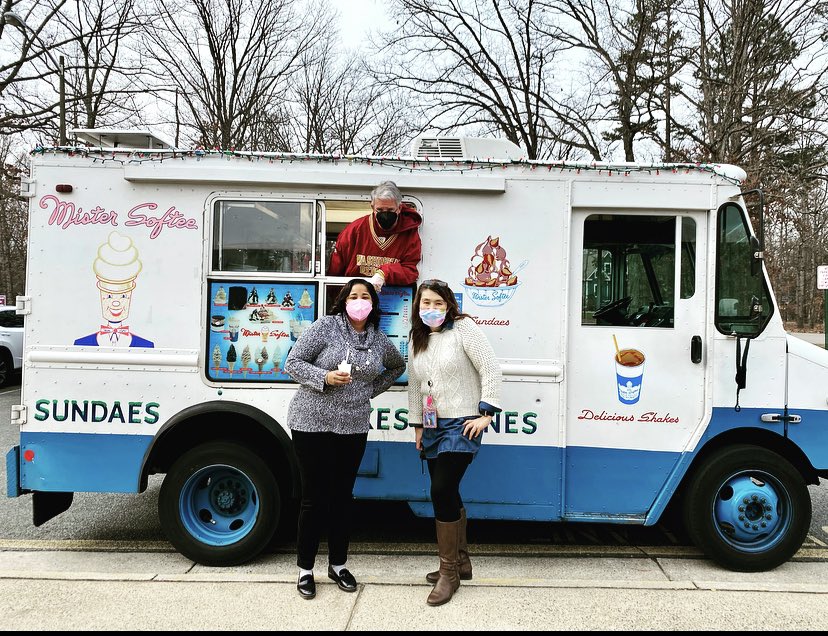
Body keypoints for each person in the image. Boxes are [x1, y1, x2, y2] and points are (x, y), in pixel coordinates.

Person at [283, 278, 406, 600]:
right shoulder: (326, 327)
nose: (359, 301)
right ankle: (305, 569)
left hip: (352, 426)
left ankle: (338, 565)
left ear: (373, 305)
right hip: (311, 422)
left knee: (342, 497)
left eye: (366, 296)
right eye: (354, 296)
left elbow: (397, 366)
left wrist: (369, 390)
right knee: (313, 498)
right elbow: (292, 363)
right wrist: (324, 377)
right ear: (344, 301)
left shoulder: (379, 339)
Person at [407, 278, 502, 607]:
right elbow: (415, 385)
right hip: (433, 425)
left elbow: (490, 367)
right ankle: (461, 562)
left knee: (441, 490)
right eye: (426, 302)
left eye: (438, 302)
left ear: (449, 305)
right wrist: (418, 425)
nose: (431, 308)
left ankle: (448, 573)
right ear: (418, 306)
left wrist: (486, 413)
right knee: (448, 492)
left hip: (462, 424)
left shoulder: (464, 329)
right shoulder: (417, 337)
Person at [328, 181, 422, 291]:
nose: (385, 214)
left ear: (399, 208)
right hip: (356, 295)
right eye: (380, 210)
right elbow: (335, 270)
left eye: (390, 210)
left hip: (393, 297)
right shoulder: (354, 231)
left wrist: (385, 272)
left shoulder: (409, 234)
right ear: (372, 207)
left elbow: (411, 270)